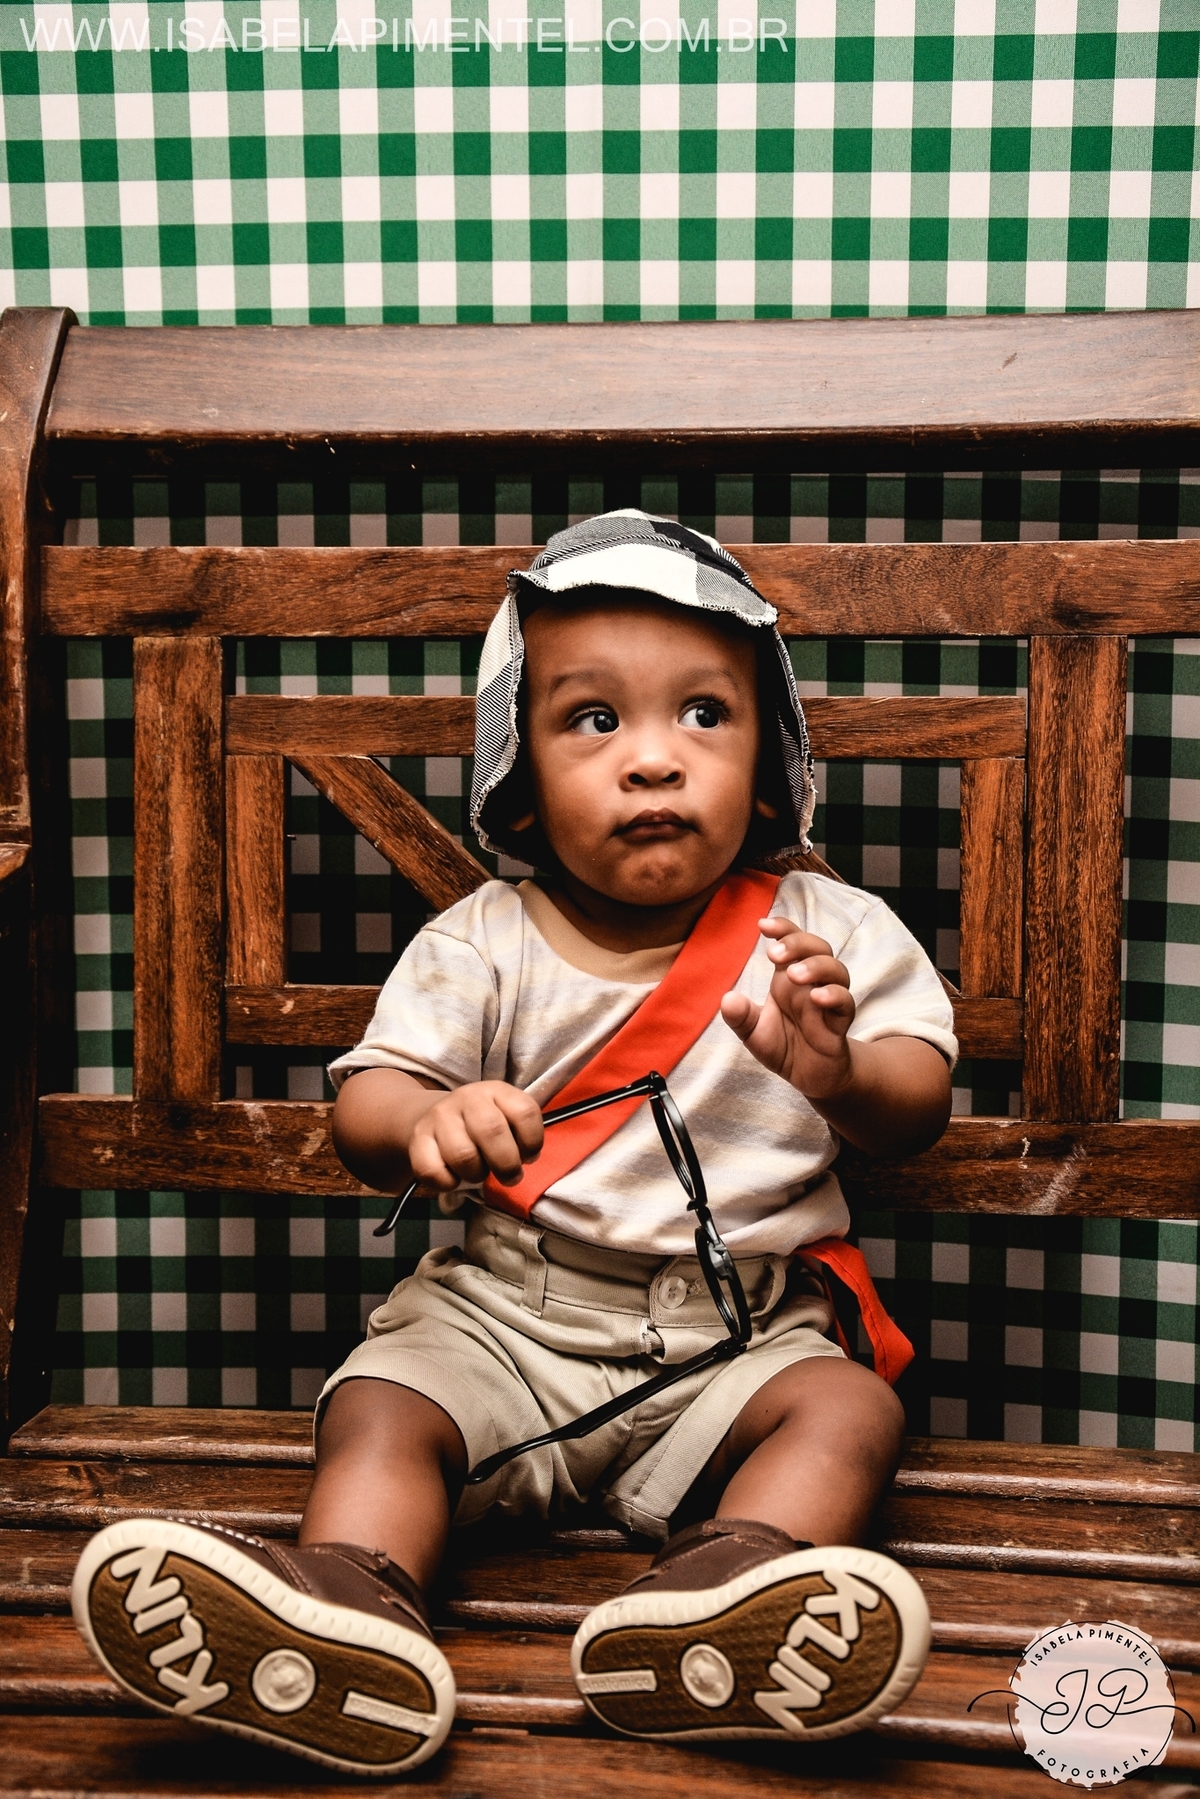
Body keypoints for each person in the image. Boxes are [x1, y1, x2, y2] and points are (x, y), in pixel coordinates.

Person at [72, 512, 954, 1778]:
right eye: (594, 719)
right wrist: (426, 1120)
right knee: (382, 1404)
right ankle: (346, 1605)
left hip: (740, 1334)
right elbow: (367, 1107)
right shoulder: (483, 938)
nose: (653, 759)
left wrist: (837, 1068)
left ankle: (724, 1598)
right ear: (519, 781)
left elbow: (916, 1106)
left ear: (770, 762)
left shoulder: (827, 929)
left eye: (704, 713)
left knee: (850, 1406)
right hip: (506, 1320)